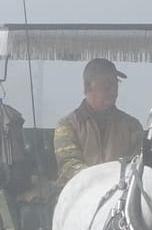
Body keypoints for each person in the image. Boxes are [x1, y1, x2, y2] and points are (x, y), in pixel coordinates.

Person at [51, 57, 146, 185]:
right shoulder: (67, 125)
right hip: (78, 195)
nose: (114, 91)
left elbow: (139, 163)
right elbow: (69, 165)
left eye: (116, 84)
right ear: (88, 86)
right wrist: (100, 183)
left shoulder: (131, 126)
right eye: (107, 85)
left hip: (120, 197)